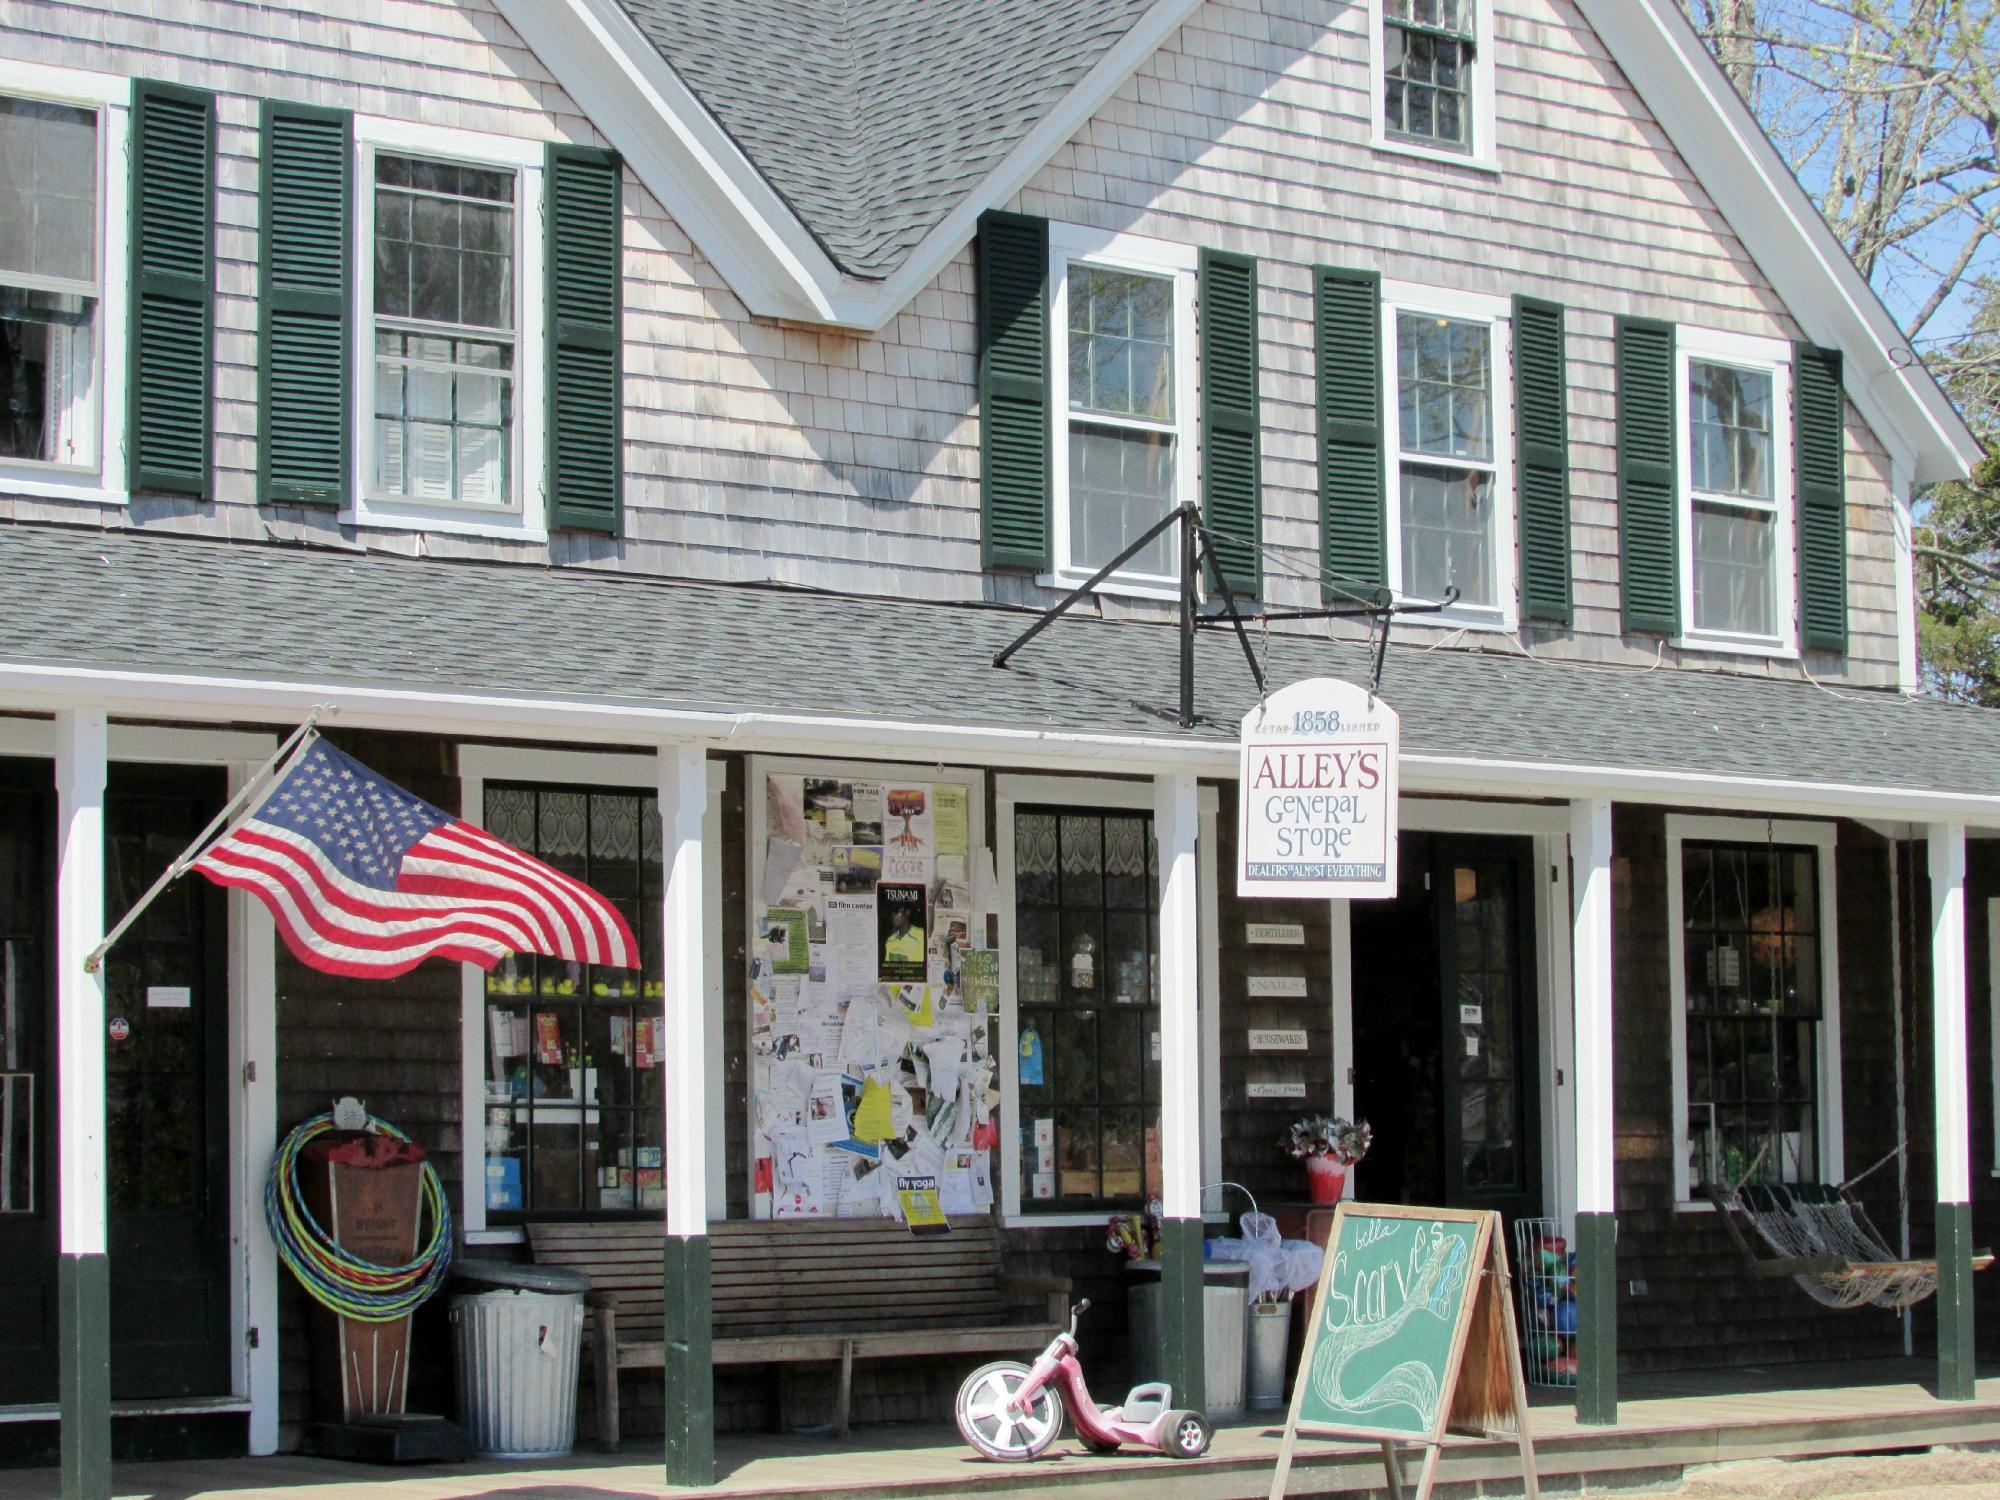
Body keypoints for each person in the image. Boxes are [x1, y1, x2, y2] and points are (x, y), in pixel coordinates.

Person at [883, 903, 925, 967]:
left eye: (897, 910)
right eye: (892, 912)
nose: (893, 915)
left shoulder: (921, 935)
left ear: (907, 912)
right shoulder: (890, 941)